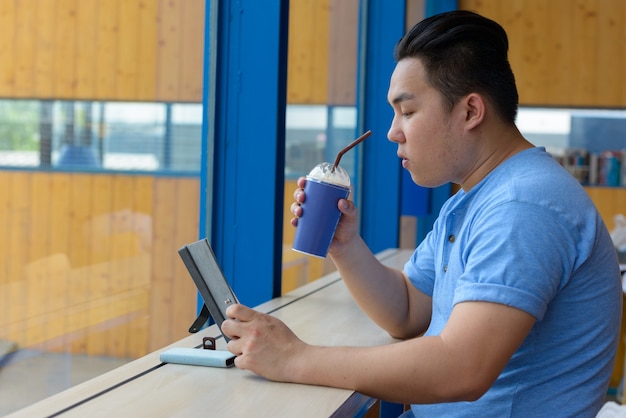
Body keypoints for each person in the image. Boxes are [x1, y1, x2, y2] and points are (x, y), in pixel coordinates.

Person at [222, 10, 622, 417]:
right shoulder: (474, 199)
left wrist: (294, 358)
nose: (394, 131)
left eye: (407, 112)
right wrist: (345, 245)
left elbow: (462, 368)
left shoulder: (523, 207)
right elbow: (409, 311)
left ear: (470, 111)